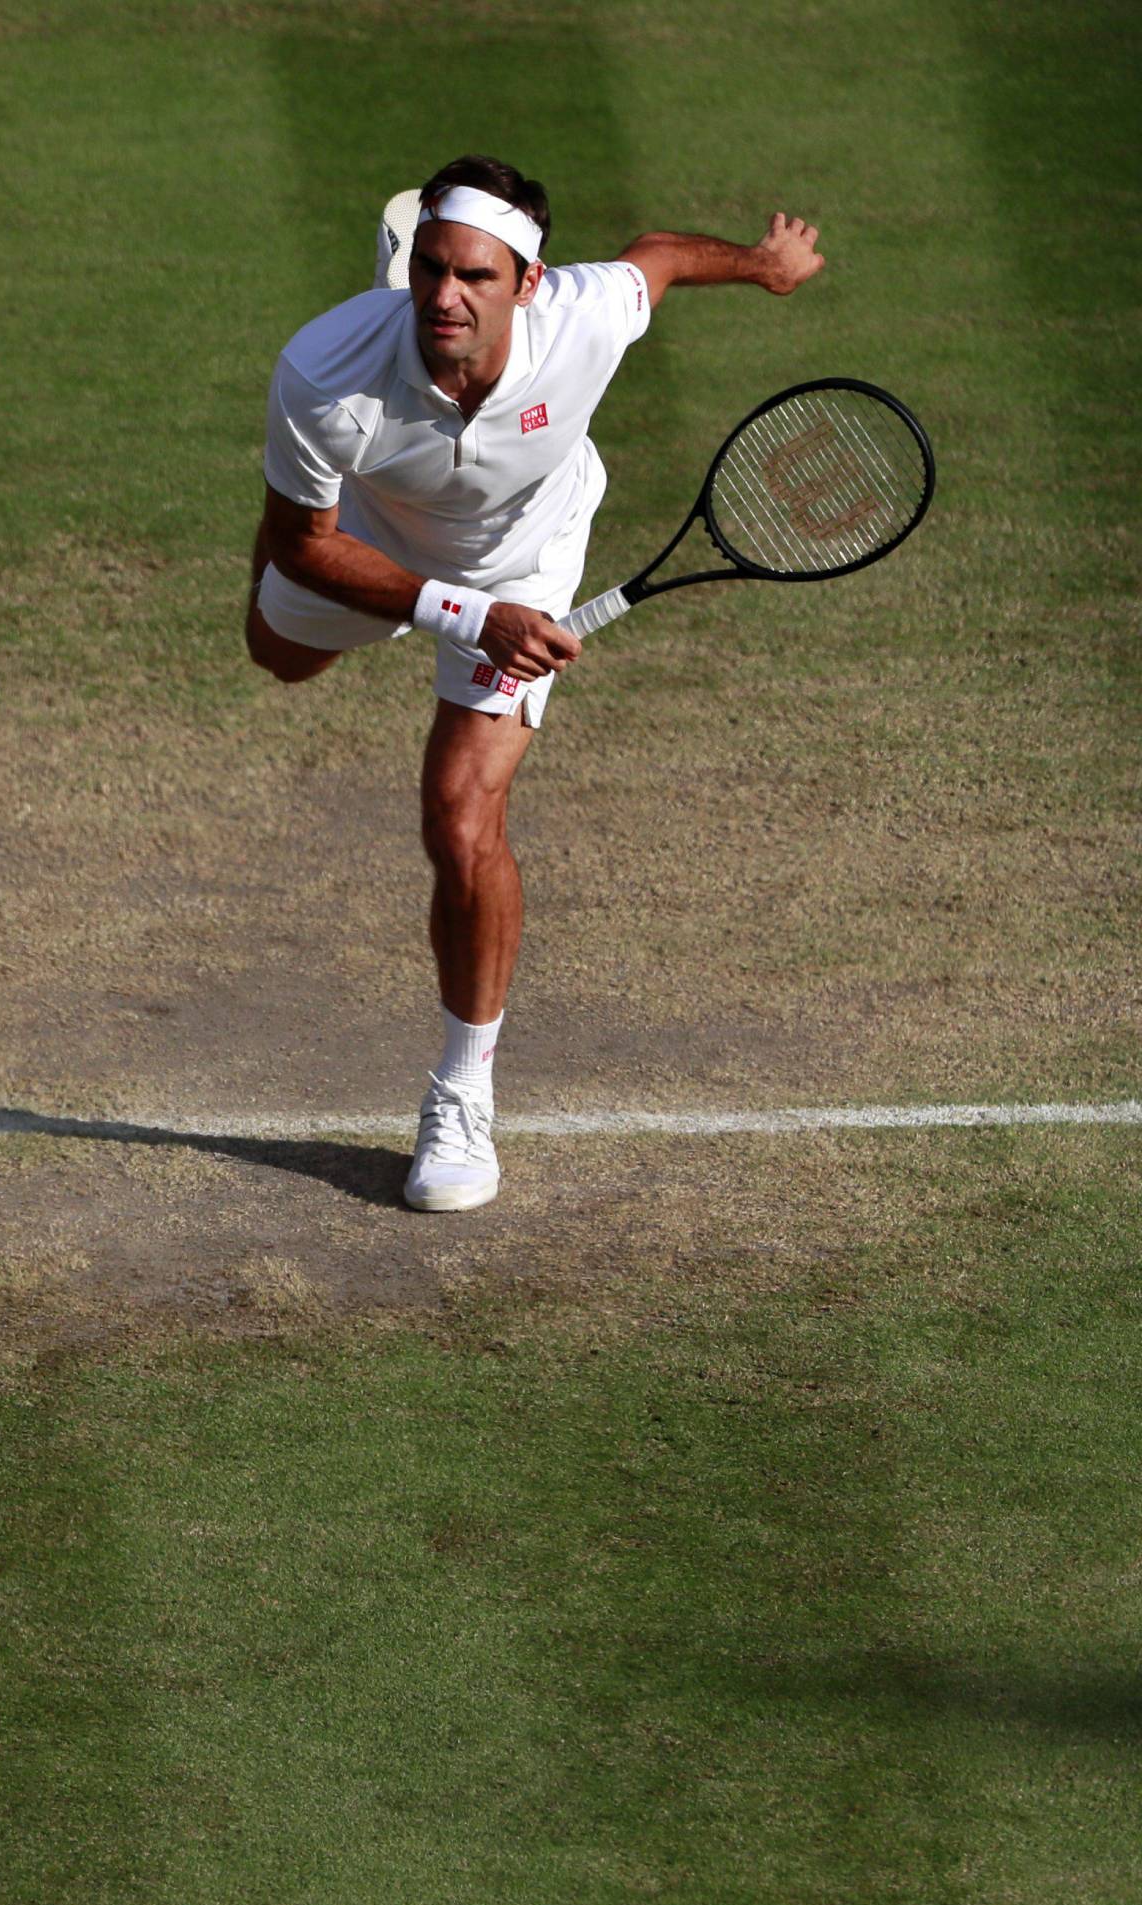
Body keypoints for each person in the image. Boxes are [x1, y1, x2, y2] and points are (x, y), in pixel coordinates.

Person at [246, 156, 823, 1212]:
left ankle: (460, 1091)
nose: (443, 296)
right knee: (278, 652)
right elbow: (298, 548)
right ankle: (333, 511)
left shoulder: (585, 317)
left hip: (526, 554)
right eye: (425, 270)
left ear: (530, 281)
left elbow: (656, 258)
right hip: (369, 538)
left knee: (461, 819)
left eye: (472, 274)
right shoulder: (324, 371)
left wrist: (761, 264)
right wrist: (458, 612)